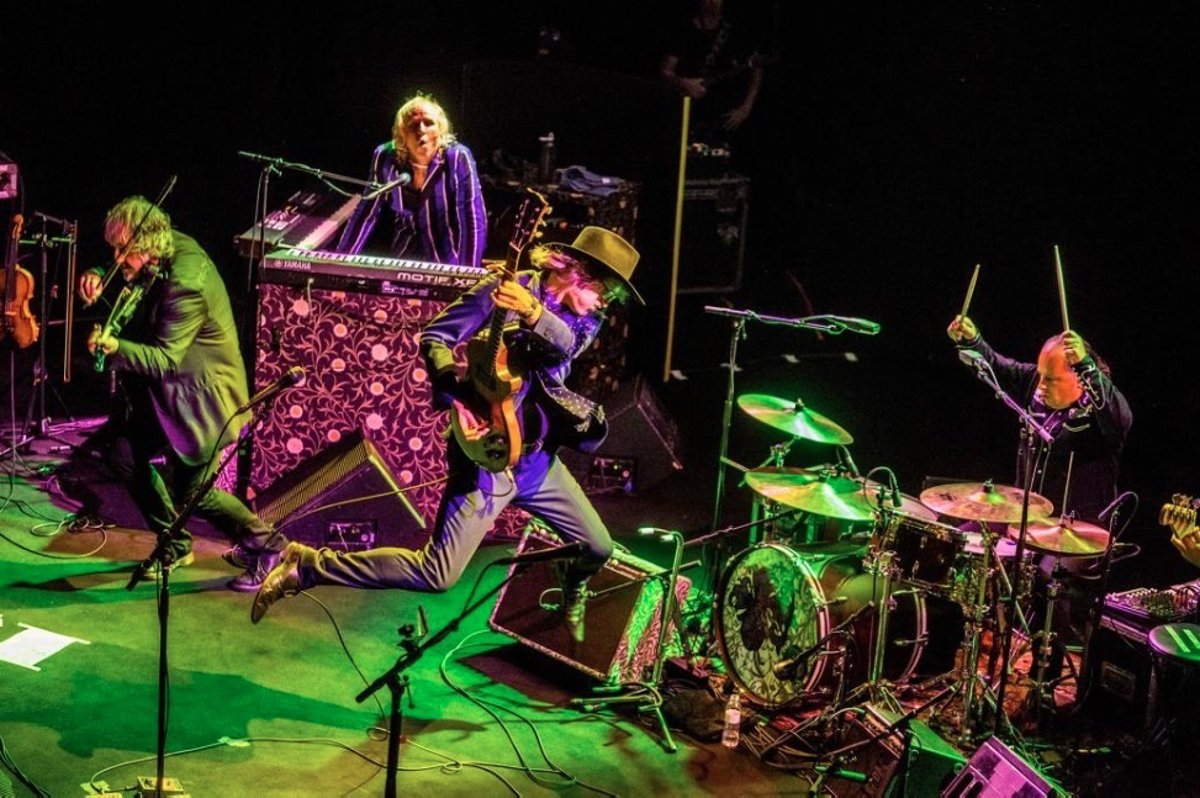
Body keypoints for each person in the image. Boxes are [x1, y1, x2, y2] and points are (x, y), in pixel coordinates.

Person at [252, 226, 644, 642]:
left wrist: (533, 312)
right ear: (577, 272)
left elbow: (565, 347)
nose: (605, 303)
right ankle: (307, 566)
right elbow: (436, 336)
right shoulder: (500, 290)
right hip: (486, 457)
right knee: (437, 573)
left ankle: (571, 581)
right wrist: (456, 396)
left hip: (537, 461)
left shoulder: (585, 322)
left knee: (597, 547)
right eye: (605, 291)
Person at [81, 196, 286, 590]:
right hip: (168, 395)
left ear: (148, 243)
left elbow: (165, 360)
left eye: (122, 250)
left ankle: (270, 546)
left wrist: (116, 348)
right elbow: (134, 271)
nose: (117, 257)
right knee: (123, 455)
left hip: (202, 398)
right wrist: (99, 272)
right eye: (113, 250)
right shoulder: (162, 246)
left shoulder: (186, 284)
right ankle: (175, 544)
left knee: (195, 494)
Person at [947, 314, 1132, 680]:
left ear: (1078, 377)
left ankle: (1043, 682)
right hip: (1027, 519)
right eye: (1041, 375)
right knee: (958, 540)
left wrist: (1087, 365)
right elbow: (999, 367)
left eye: (1052, 379)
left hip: (1080, 532)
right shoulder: (1036, 383)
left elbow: (1120, 415)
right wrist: (972, 339)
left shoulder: (1101, 416)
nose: (1040, 385)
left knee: (1048, 578)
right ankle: (952, 647)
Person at [335, 93, 487, 266]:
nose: (421, 130)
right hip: (403, 259)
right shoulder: (385, 156)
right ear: (401, 134)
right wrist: (338, 264)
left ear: (440, 129)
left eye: (428, 123)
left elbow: (472, 220)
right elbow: (366, 213)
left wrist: (466, 274)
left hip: (448, 261)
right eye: (413, 125)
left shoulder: (457, 157)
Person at [659, 0, 766, 151]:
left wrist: (746, 108)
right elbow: (665, 72)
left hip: (724, 117)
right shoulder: (683, 30)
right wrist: (685, 83)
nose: (712, 3)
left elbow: (757, 68)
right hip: (688, 113)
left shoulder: (735, 31)